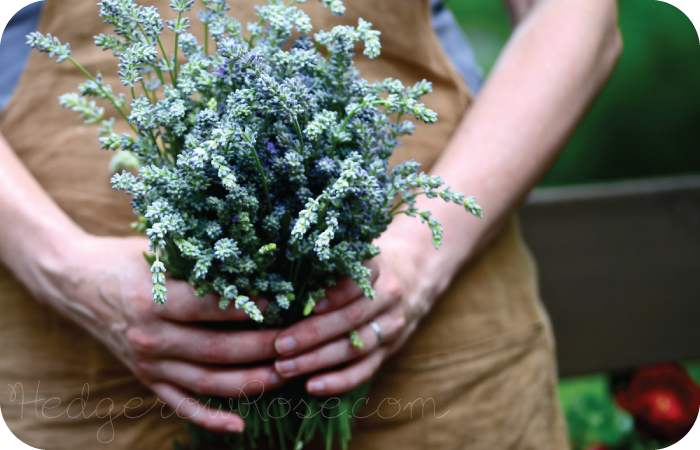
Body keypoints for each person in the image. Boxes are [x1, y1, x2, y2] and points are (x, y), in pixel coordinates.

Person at [0, 0, 621, 448]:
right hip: (77, 372)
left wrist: (420, 257)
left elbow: (577, 16)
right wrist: (61, 266)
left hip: (436, 369)